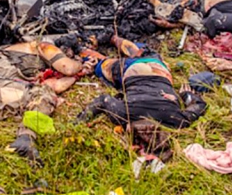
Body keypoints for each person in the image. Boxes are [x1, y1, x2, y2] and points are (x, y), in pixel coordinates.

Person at [76, 36, 207, 131]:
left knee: (141, 50)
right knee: (102, 64)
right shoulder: (123, 114)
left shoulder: (175, 119)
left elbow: (199, 105)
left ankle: (113, 38)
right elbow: (103, 100)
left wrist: (186, 95)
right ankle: (99, 42)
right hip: (132, 69)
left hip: (158, 68)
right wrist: (78, 122)